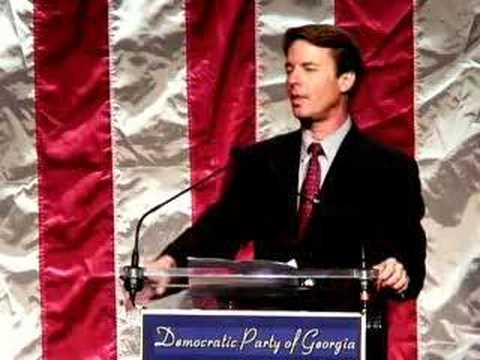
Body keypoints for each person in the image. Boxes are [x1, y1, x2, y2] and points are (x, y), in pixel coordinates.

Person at [146, 24, 426, 302]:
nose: (293, 80)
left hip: (345, 335)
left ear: (346, 80)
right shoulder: (261, 162)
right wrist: (170, 264)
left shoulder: (388, 169)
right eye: (290, 69)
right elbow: (220, 229)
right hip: (270, 336)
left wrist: (396, 269)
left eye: (309, 68)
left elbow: (407, 256)